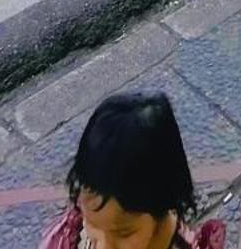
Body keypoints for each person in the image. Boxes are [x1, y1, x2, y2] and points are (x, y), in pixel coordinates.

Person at [40, 92, 225, 249]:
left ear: (163, 202)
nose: (104, 246)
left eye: (124, 233)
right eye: (92, 224)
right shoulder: (79, 227)